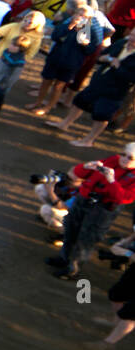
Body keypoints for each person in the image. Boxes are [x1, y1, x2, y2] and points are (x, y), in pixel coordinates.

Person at [45, 145, 135, 279]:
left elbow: (122, 197)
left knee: (86, 239)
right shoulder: (113, 160)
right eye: (123, 154)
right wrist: (86, 167)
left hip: (103, 209)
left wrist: (111, 181)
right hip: (84, 199)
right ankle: (64, 258)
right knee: (70, 230)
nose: (124, 159)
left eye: (130, 157)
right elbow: (75, 174)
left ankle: (73, 269)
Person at [49, 36, 135, 147]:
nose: (131, 38)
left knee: (102, 115)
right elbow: (102, 55)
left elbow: (132, 78)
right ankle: (64, 124)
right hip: (99, 80)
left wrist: (118, 67)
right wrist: (104, 58)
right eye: (132, 34)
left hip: (116, 89)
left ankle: (89, 140)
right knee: (80, 101)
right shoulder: (121, 43)